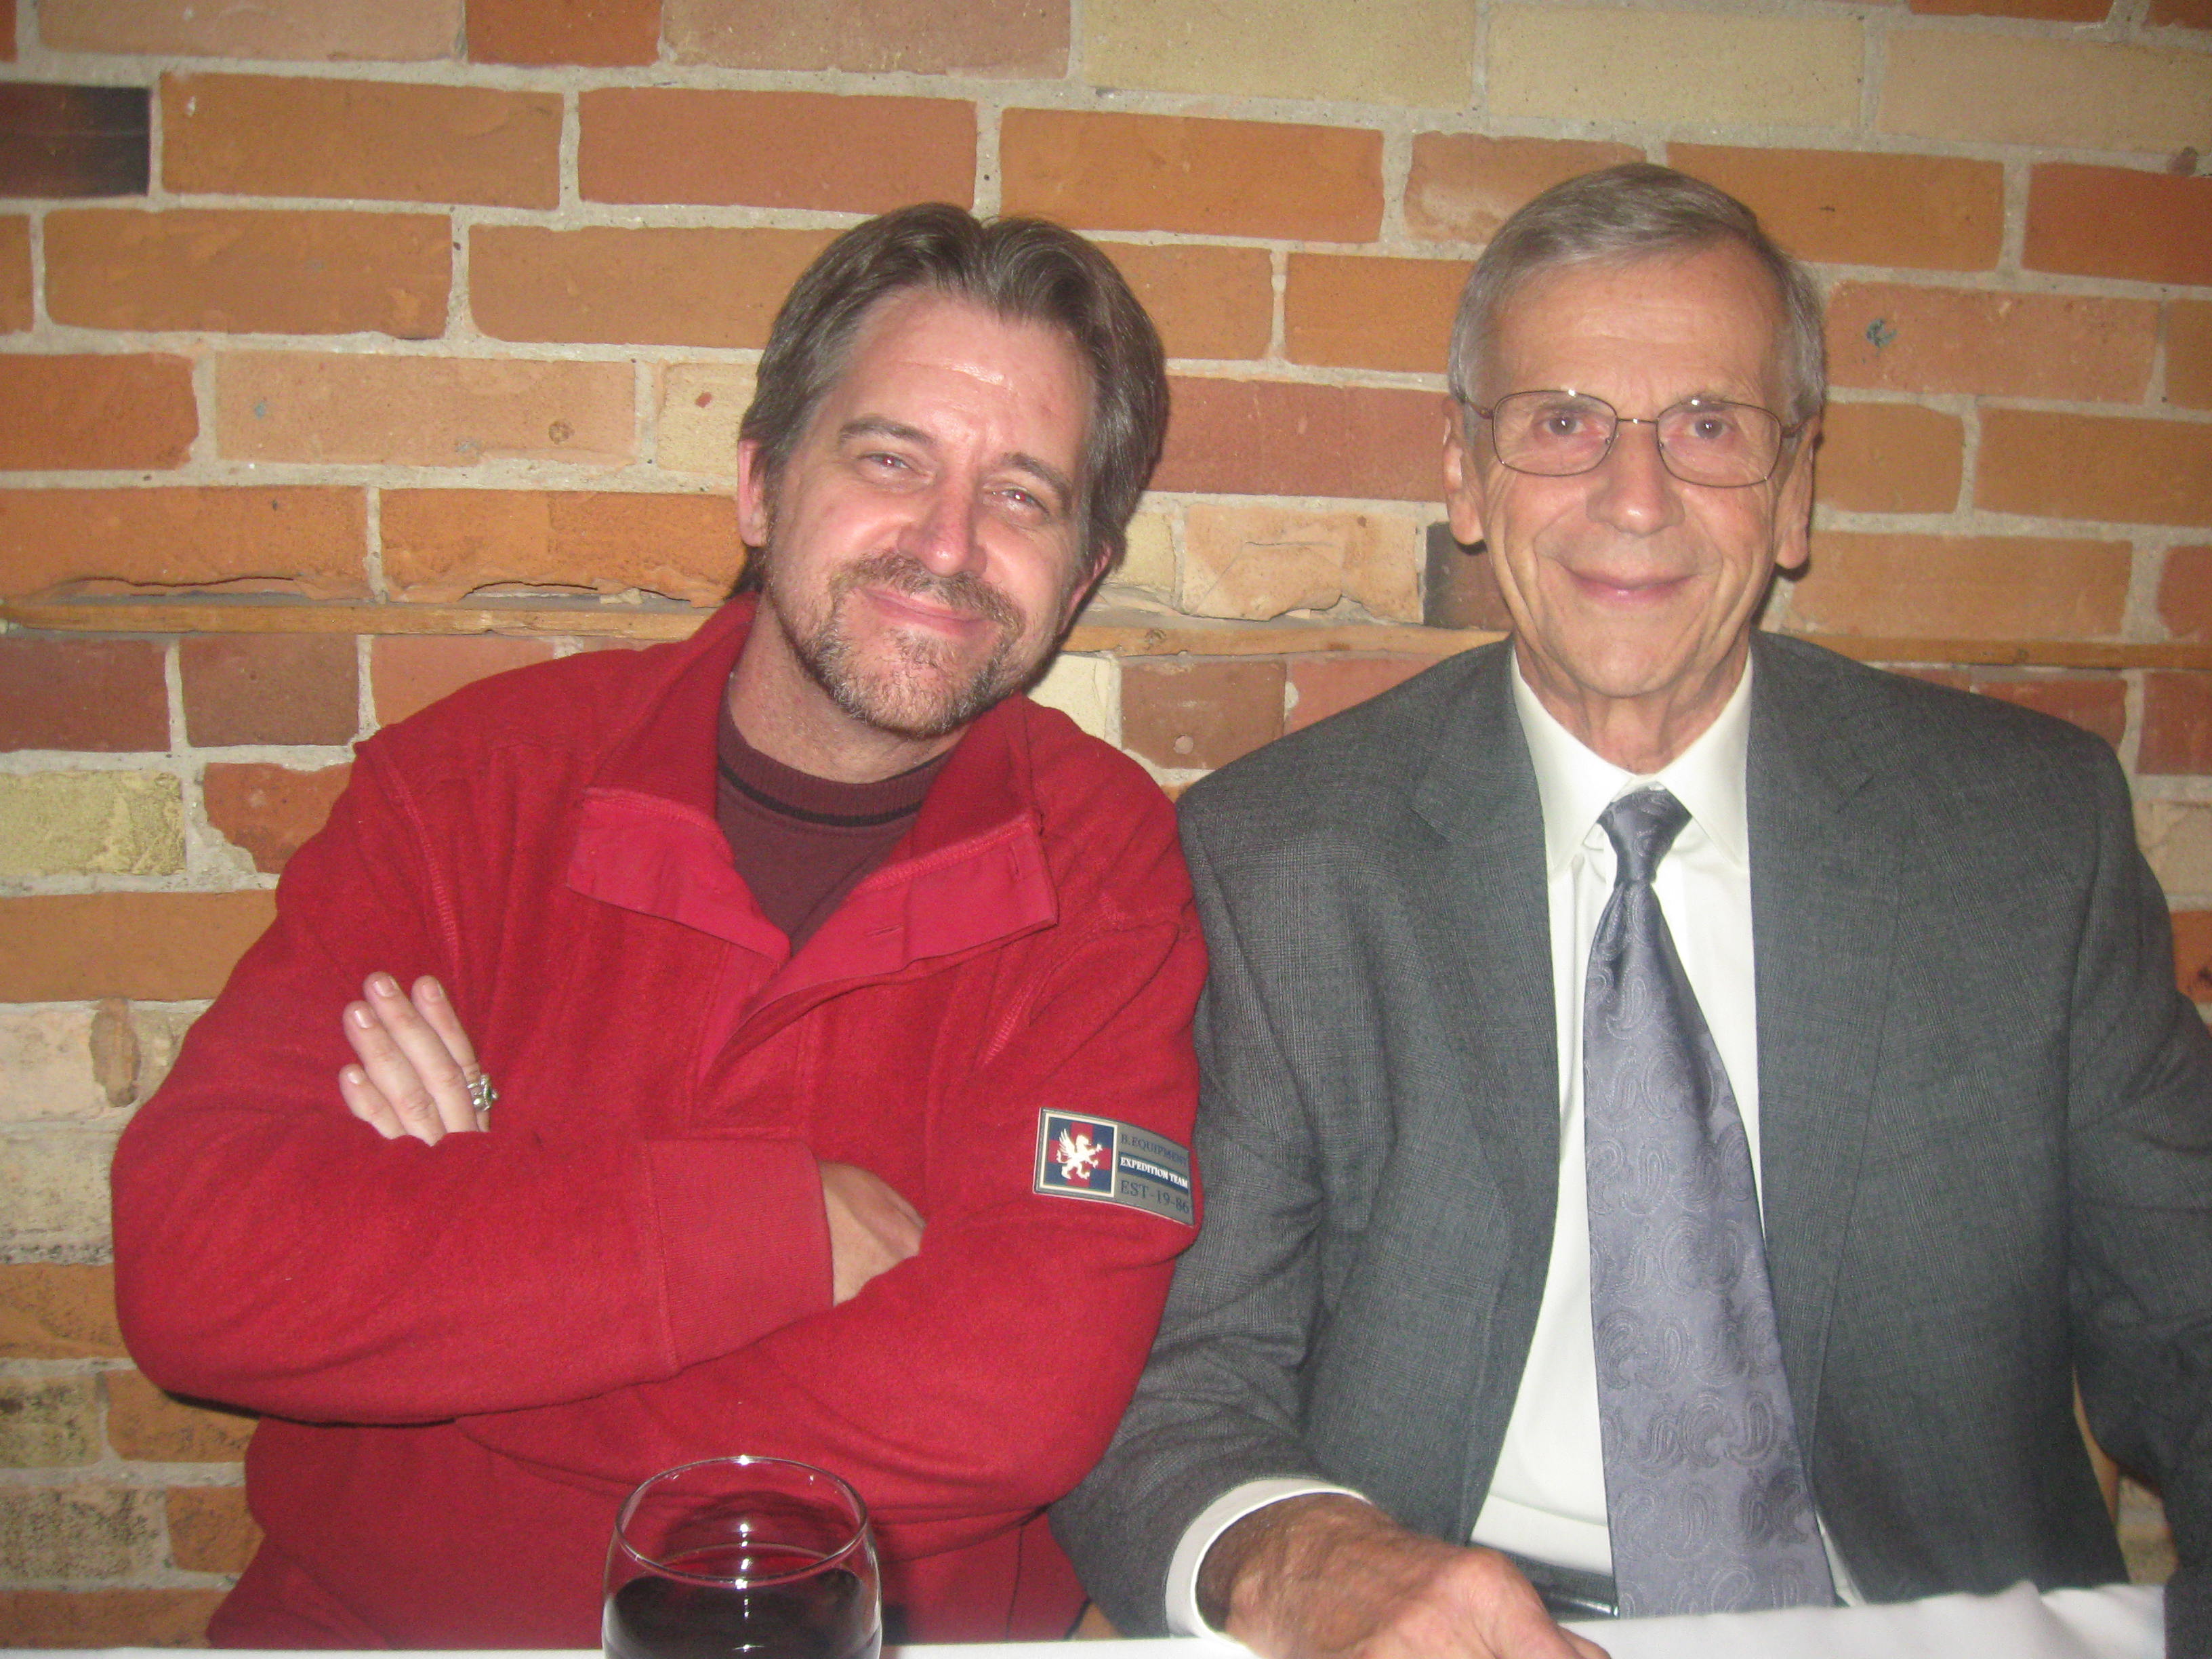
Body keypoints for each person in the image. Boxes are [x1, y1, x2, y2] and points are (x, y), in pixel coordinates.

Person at [1053, 163, 2212, 1659]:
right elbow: (1172, 1378)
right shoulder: (1278, 862)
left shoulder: (2025, 840)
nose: (1636, 496)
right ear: (1465, 476)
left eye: (1710, 427)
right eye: (1562, 423)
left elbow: (2191, 1310)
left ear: (1795, 491)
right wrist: (1306, 1559)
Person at [111, 205, 1204, 1648]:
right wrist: (772, 1235)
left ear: (1082, 575)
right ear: (760, 484)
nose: (946, 544)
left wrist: (454, 1298)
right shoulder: (472, 788)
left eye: (1021, 495)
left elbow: (1011, 1402)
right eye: (889, 460)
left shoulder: (1105, 864)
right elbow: (201, 1265)